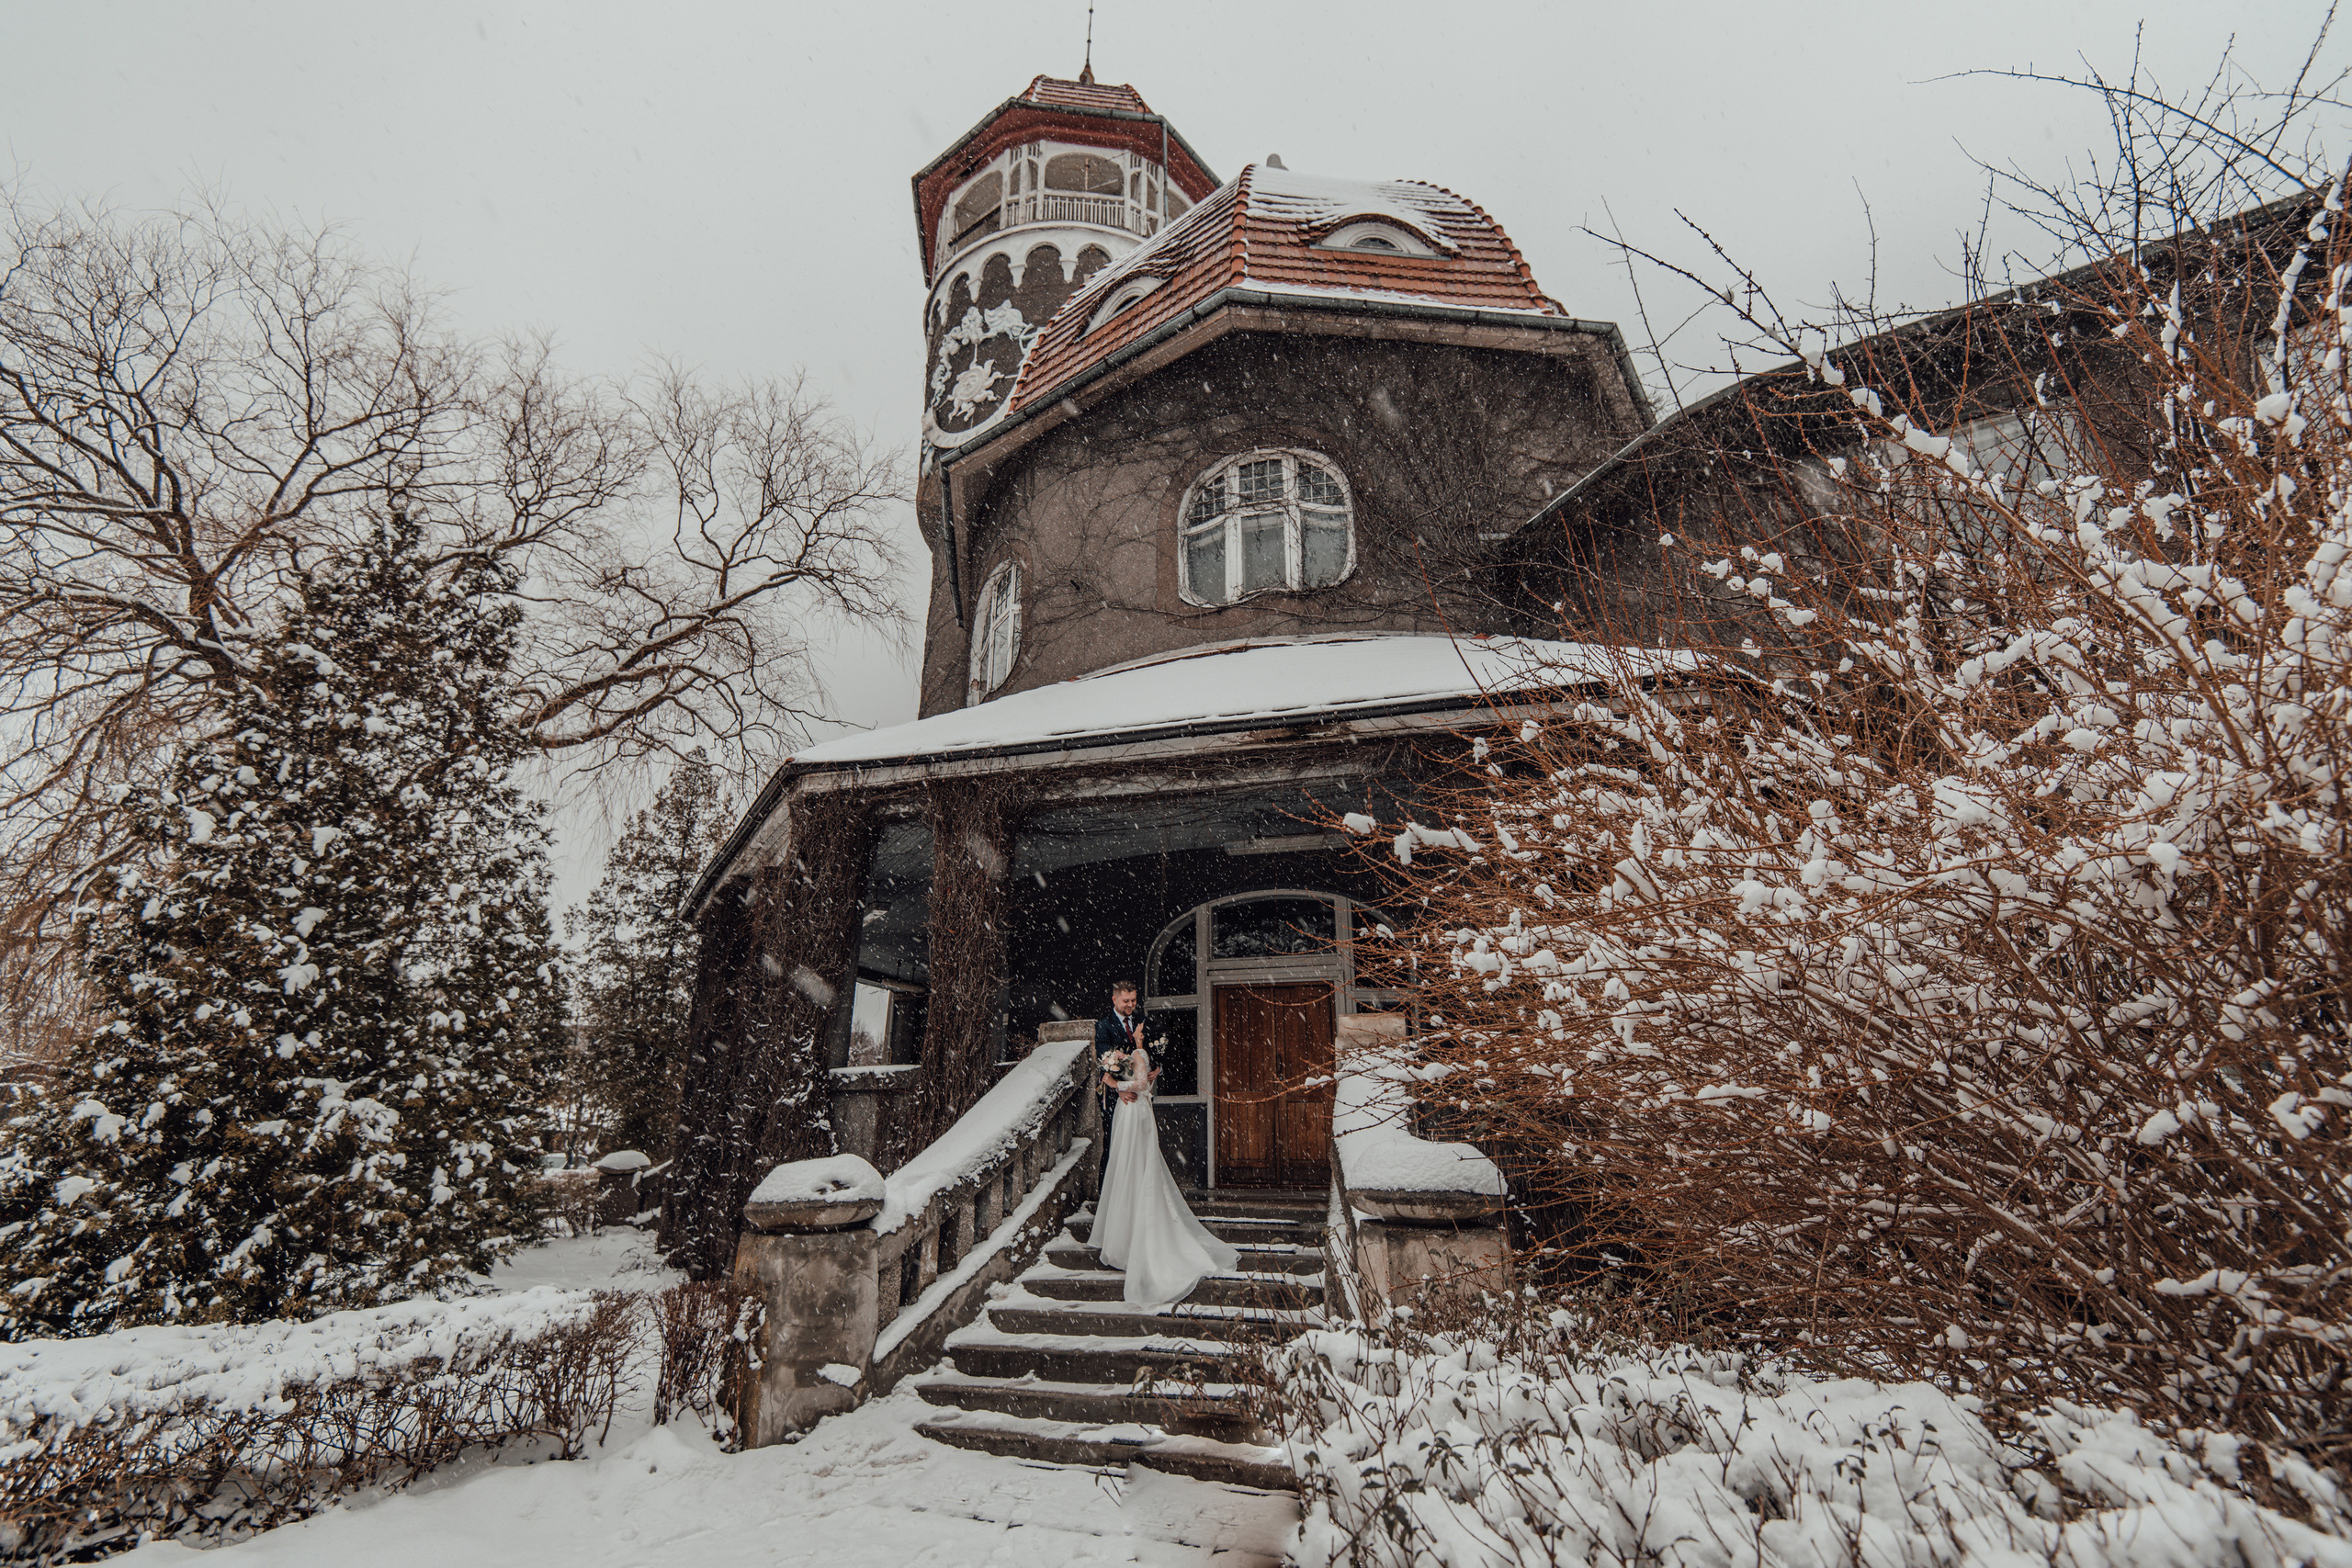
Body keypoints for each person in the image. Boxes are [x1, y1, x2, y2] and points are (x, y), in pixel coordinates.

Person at [1091, 983, 1238, 1305]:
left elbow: (1154, 1059)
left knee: (1139, 1159)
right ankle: (1116, 1216)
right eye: (1125, 1001)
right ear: (1114, 999)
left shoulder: (1144, 1024)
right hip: (1121, 1105)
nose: (1130, 1006)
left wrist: (1144, 1072)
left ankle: (1133, 1226)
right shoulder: (1104, 1026)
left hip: (1138, 1101)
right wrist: (1116, 1085)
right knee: (1116, 1157)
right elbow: (1104, 1062)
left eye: (1133, 1001)